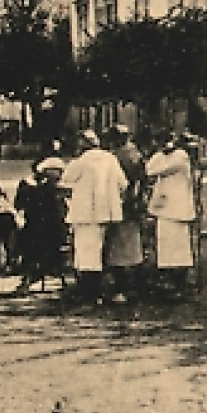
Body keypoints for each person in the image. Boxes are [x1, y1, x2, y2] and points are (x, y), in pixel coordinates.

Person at [59, 130, 128, 304]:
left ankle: (90, 293)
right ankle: (104, 291)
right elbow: (123, 183)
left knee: (86, 254)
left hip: (85, 214)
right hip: (106, 214)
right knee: (101, 251)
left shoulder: (81, 162)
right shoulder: (111, 159)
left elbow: (65, 180)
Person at [145, 132, 197, 298]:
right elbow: (150, 170)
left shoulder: (181, 157)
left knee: (179, 247)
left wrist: (163, 153)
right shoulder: (162, 156)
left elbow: (162, 169)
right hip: (164, 209)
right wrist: (160, 153)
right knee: (165, 245)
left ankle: (179, 282)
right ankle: (167, 281)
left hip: (178, 210)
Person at [103, 124, 148, 300]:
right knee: (132, 247)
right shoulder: (135, 154)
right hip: (133, 205)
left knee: (119, 247)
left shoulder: (119, 156)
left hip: (124, 205)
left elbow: (125, 183)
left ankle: (122, 287)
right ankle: (135, 285)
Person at [14, 157, 69, 292]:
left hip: (42, 229)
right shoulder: (47, 189)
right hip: (45, 229)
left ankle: (31, 276)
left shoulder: (43, 188)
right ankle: (35, 274)